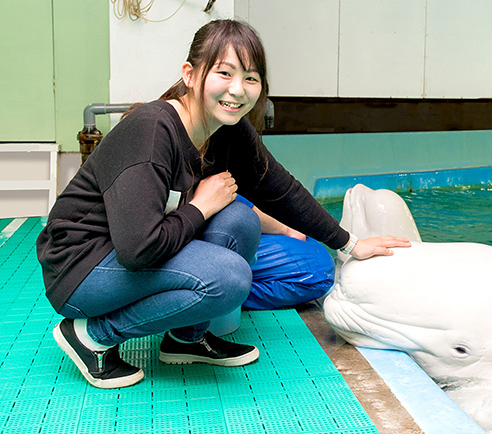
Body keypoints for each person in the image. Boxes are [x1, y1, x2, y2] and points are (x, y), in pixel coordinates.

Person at [36, 19, 410, 389]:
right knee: (229, 276)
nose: (238, 90)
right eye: (225, 73)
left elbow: (281, 190)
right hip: (81, 268)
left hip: (129, 252)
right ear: (190, 74)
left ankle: (186, 338)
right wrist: (201, 207)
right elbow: (137, 249)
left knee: (238, 220)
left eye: (250, 77)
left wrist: (349, 243)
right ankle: (93, 336)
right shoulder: (152, 131)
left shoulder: (227, 130)